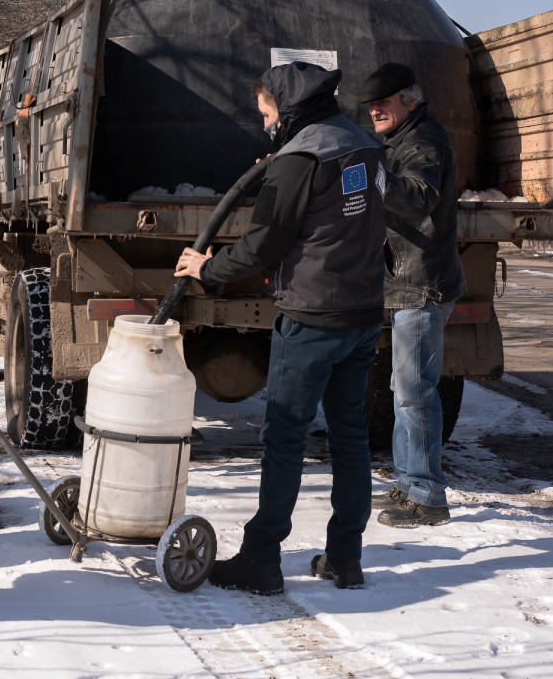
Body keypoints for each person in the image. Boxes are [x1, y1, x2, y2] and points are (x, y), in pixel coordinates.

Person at [174, 61, 387, 594]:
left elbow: (263, 244)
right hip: (363, 314)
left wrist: (207, 269)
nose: (265, 123)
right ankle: (345, 557)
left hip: (313, 316)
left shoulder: (298, 159)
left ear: (287, 109)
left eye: (267, 112)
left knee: (285, 437)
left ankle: (262, 559)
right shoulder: (362, 144)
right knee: (350, 436)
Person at [360, 63, 466, 528]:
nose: (375, 110)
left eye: (384, 102)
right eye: (371, 105)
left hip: (423, 284)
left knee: (415, 394)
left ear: (411, 99)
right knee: (402, 390)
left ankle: (428, 497)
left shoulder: (424, 143)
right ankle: (408, 485)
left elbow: (420, 195)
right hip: (408, 282)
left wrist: (371, 173)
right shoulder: (397, 143)